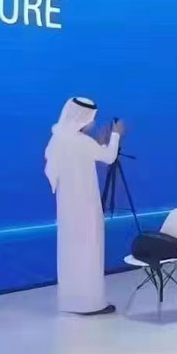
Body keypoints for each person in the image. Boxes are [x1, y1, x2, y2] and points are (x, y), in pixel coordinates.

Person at [44, 97, 126, 313]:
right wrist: (116, 135)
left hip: (67, 206)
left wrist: (99, 143)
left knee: (71, 250)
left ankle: (71, 301)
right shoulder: (81, 142)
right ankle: (91, 304)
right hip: (86, 205)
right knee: (89, 249)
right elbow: (109, 157)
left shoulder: (58, 138)